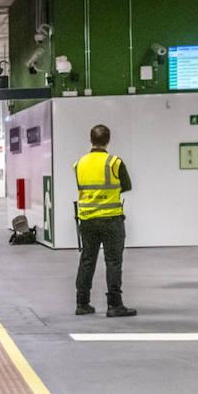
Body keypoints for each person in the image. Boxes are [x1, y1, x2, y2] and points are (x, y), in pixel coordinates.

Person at [73, 124, 136, 317]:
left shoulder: (79, 163)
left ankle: (82, 303)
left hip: (88, 220)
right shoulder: (115, 162)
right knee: (113, 261)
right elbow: (127, 185)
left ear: (90, 140)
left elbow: (82, 187)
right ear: (108, 141)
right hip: (111, 221)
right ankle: (114, 305)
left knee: (87, 260)